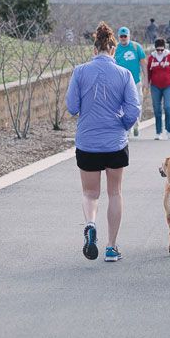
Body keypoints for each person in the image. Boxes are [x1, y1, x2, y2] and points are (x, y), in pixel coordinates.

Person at [66, 22, 141, 262]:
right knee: (115, 192)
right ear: (113, 50)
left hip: (87, 141)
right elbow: (133, 110)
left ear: (94, 48)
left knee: (90, 193)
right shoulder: (124, 74)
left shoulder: (79, 71)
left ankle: (90, 224)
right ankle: (111, 246)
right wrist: (122, 125)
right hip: (114, 142)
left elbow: (72, 107)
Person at [147, 37, 170, 140]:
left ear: (164, 48)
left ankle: (169, 130)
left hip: (168, 86)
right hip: (155, 86)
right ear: (155, 49)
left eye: (161, 50)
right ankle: (158, 132)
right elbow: (149, 73)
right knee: (157, 109)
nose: (159, 52)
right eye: (158, 50)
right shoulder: (151, 58)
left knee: (167, 107)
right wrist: (146, 84)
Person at [114, 27, 147, 136]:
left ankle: (136, 123)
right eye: (121, 36)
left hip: (136, 81)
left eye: (125, 36)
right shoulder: (115, 49)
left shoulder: (136, 47)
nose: (123, 38)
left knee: (138, 103)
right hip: (121, 82)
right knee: (124, 105)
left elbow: (143, 63)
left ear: (129, 36)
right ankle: (127, 128)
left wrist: (146, 79)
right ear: (118, 37)